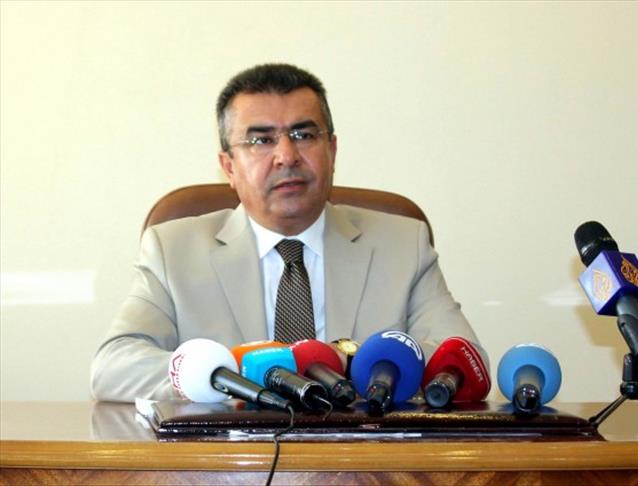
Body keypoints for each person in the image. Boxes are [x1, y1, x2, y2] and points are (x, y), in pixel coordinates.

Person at [90, 63, 481, 401]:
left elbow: (461, 359)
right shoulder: (172, 250)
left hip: (363, 455)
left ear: (332, 151)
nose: (286, 156)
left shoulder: (403, 245)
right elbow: (114, 367)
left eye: (303, 135)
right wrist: (237, 375)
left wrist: (346, 361)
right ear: (229, 167)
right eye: (261, 140)